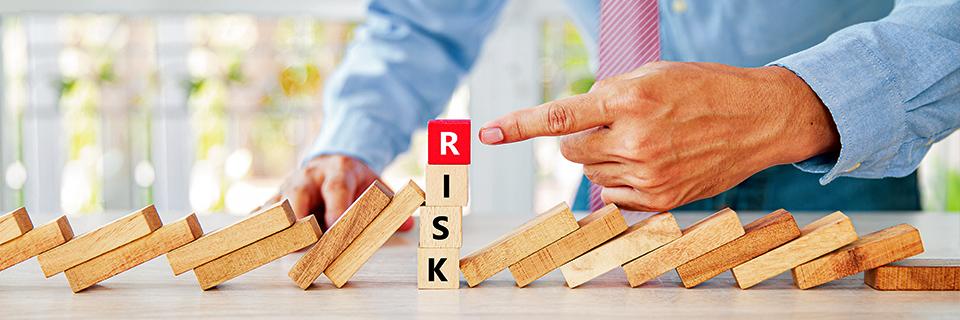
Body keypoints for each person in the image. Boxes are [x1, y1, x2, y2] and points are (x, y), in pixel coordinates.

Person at [260, 0, 960, 230]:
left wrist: (796, 106)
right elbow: (422, 21)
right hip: (622, 167)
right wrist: (350, 143)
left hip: (848, 156)